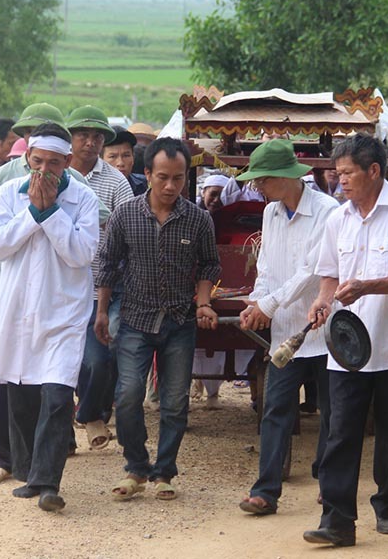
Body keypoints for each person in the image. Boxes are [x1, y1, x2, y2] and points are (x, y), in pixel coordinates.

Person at [303, 133, 388, 547]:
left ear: (373, 171)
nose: (340, 181)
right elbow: (329, 274)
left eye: (347, 173)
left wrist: (367, 287)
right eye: (336, 174)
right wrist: (323, 302)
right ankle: (337, 518)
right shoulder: (337, 219)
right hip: (346, 345)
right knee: (340, 429)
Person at [0, 102, 106, 486]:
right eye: (38, 161)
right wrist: (33, 212)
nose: (44, 170)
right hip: (17, 310)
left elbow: (81, 253)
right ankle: (29, 473)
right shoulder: (10, 193)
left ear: (67, 162)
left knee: (59, 396)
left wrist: (51, 214)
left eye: (54, 163)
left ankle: (47, 482)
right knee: (21, 397)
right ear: (28, 156)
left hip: (63, 312)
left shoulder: (83, 199)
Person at [95, 137, 221, 502]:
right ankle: (136, 467)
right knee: (129, 394)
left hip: (180, 321)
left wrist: (202, 302)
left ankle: (164, 472)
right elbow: (107, 264)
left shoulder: (198, 219)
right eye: (162, 177)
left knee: (175, 400)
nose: (170, 186)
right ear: (146, 173)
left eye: (178, 179)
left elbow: (209, 264)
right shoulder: (125, 215)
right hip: (135, 317)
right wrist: (102, 311)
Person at [235, 139, 339, 516]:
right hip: (285, 335)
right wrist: (255, 302)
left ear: (285, 176)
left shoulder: (328, 211)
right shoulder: (271, 213)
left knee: (332, 412)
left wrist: (269, 304)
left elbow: (310, 270)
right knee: (275, 408)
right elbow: (266, 267)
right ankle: (265, 490)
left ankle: (331, 486)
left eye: (262, 180)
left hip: (323, 327)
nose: (258, 188)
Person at [66, 105, 134, 450]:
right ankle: (79, 417)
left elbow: (126, 231)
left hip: (106, 284)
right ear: (70, 138)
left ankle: (90, 412)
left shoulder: (115, 181)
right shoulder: (57, 171)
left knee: (102, 353)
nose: (90, 142)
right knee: (68, 355)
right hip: (63, 285)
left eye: (96, 136)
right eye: (83, 135)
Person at [102, 126, 148, 195]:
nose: (120, 163)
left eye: (126, 155)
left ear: (133, 157)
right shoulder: (91, 189)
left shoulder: (146, 186)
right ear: (101, 160)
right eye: (112, 156)